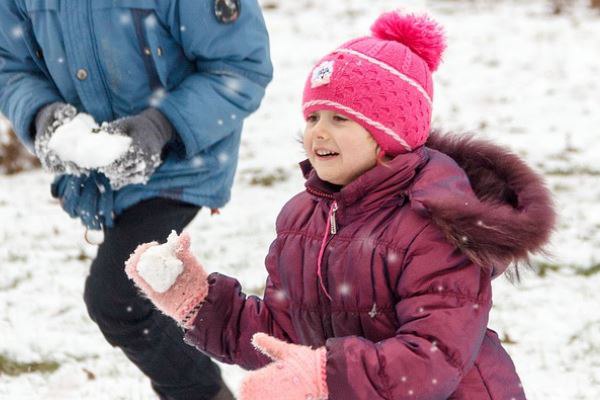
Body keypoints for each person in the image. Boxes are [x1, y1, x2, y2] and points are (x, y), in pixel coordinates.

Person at [124, 10, 555, 400]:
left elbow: (431, 359)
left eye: (340, 119)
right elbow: (284, 334)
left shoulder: (433, 226)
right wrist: (199, 302)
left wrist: (324, 375)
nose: (318, 134)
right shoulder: (301, 219)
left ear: (390, 136)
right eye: (312, 117)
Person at [0, 1, 273, 399]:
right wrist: (43, 115)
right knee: (137, 296)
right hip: (94, 174)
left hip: (182, 162)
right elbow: (10, 64)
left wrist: (161, 125)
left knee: (118, 299)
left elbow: (241, 65)